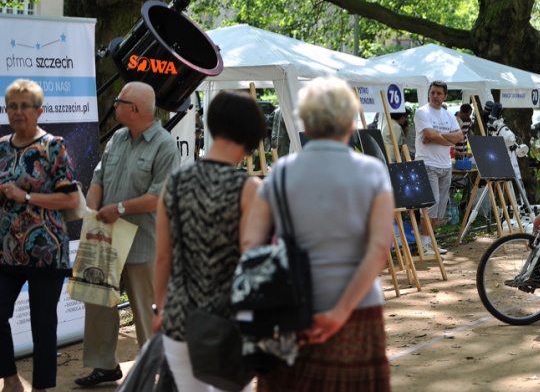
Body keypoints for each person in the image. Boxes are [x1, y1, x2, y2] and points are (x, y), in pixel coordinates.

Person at [242, 77, 395, 392]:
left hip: (289, 313)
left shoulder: (280, 173)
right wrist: (339, 313)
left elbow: (249, 244)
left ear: (306, 125)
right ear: (350, 124)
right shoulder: (372, 172)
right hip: (357, 312)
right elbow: (379, 248)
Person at [152, 91, 264, 392]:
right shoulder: (249, 187)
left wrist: (160, 308)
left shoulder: (175, 181)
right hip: (228, 324)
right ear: (251, 133)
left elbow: (162, 255)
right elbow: (253, 261)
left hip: (179, 319)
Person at [74, 82, 180, 387]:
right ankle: (104, 366)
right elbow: (98, 178)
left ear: (133, 109)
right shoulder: (118, 138)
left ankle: (156, 372)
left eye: (119, 101)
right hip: (105, 239)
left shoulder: (164, 144)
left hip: (143, 241)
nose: (114, 105)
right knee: (97, 304)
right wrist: (93, 209)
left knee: (146, 310)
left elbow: (159, 196)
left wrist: (118, 208)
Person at [0, 79, 81, 392]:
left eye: (25, 106)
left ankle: (42, 388)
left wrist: (27, 197)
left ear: (39, 110)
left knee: (43, 325)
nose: (18, 112)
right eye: (13, 106)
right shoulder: (3, 147)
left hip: (46, 251)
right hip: (7, 252)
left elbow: (71, 200)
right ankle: (9, 379)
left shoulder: (53, 146)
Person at [414, 80, 463, 255]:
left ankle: (430, 242)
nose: (435, 96)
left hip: (445, 165)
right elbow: (430, 135)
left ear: (445, 96)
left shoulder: (448, 115)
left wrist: (439, 136)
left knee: (440, 208)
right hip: (427, 164)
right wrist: (446, 140)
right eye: (432, 92)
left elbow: (460, 136)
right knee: (430, 206)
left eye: (438, 93)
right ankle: (423, 243)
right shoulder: (422, 112)